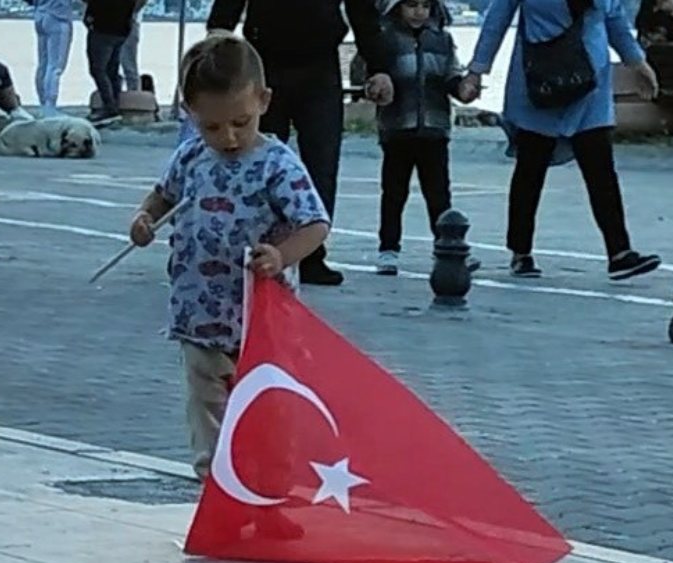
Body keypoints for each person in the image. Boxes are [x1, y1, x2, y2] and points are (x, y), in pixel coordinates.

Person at [127, 35, 331, 479]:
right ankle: (214, 485)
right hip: (198, 315)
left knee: (269, 410)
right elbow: (163, 196)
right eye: (213, 127)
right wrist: (144, 219)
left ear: (264, 100)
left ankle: (271, 491)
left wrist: (280, 254)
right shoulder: (191, 156)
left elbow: (314, 224)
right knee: (207, 408)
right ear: (190, 112)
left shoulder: (278, 164)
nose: (229, 137)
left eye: (240, 121)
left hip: (261, 321)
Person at [461, 0, 662, 280]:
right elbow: (498, 19)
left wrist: (638, 63)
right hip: (542, 84)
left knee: (601, 171)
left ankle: (619, 252)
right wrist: (476, 70)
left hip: (591, 87)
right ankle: (521, 252)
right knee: (530, 170)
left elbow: (615, 20)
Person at [206, 0, 396, 286]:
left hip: (320, 67)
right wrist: (217, 43)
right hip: (263, 62)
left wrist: (379, 69)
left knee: (322, 163)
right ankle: (251, 250)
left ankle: (310, 255)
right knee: (256, 162)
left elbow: (363, 12)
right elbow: (227, 7)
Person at [373, 0, 478, 276]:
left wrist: (463, 89)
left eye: (425, 6)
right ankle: (388, 249)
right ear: (397, 8)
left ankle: (446, 247)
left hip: (434, 128)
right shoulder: (385, 40)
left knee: (439, 194)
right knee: (394, 193)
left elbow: (451, 75)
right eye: (411, 5)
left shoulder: (442, 40)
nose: (419, 12)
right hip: (397, 128)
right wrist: (375, 88)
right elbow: (368, 73)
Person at [84, 0, 137, 123]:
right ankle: (114, 102)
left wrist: (89, 20)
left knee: (98, 69)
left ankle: (109, 106)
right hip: (121, 29)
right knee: (111, 68)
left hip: (102, 28)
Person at [30, 0, 74, 118]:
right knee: (55, 66)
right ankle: (50, 107)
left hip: (40, 14)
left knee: (43, 63)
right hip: (58, 15)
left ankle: (43, 104)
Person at [120, 0, 148, 93]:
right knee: (107, 67)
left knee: (129, 67)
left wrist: (129, 13)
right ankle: (112, 98)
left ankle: (134, 97)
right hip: (111, 23)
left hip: (129, 22)